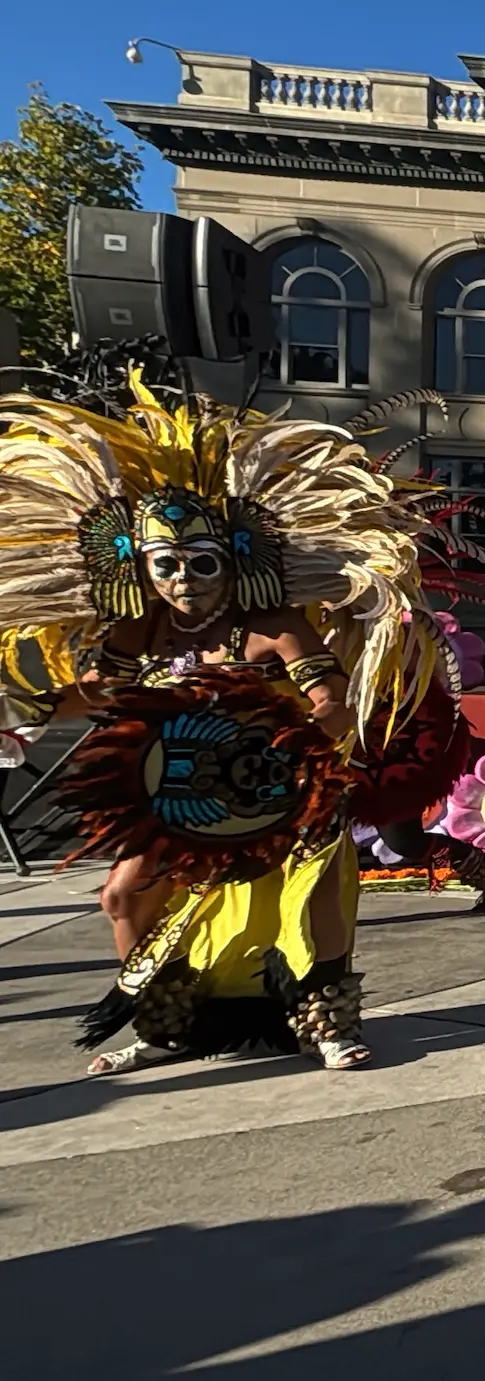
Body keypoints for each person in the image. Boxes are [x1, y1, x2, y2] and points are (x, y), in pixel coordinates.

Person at [0, 381, 434, 1076]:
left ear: (232, 561)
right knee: (123, 893)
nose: (184, 579)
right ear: (140, 569)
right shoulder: (140, 631)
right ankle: (165, 1025)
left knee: (311, 896)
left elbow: (332, 696)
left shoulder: (274, 627)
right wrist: (24, 707)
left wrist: (307, 739)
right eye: (165, 565)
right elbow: (97, 694)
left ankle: (326, 1023)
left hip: (290, 791)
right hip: (183, 799)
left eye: (202, 563)